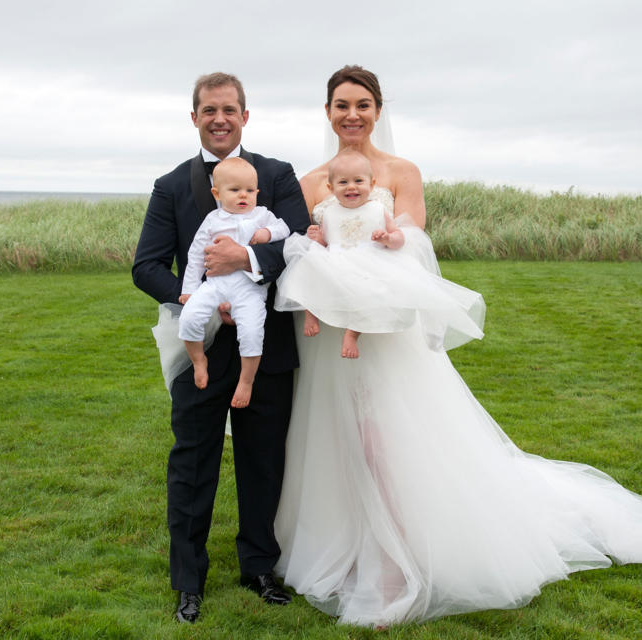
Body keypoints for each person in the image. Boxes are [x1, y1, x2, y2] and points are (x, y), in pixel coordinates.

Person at [272, 65, 642, 628]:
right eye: (341, 104)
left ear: (379, 110)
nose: (352, 115)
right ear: (327, 112)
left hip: (386, 331)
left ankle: (396, 558)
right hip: (327, 336)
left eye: (363, 104)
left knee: (382, 438)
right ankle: (343, 544)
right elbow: (300, 246)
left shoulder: (401, 171)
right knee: (337, 434)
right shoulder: (309, 179)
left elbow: (412, 242)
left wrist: (385, 251)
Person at [132, 72, 309, 624]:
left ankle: (258, 566)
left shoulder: (276, 175)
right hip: (203, 343)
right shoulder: (170, 186)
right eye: (209, 110)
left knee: (263, 460)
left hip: (268, 347)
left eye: (229, 109)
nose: (220, 118)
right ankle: (189, 578)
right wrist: (194, 298)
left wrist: (249, 264)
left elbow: (301, 247)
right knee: (192, 461)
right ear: (194, 118)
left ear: (244, 116)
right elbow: (145, 267)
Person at [275, 149, 484, 359]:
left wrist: (387, 238)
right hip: (337, 259)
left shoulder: (377, 209)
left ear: (372, 184)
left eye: (358, 181)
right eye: (343, 182)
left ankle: (352, 334)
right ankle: (311, 315)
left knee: (370, 295)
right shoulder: (329, 212)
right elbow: (328, 241)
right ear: (331, 188)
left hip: (368, 260)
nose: (351, 187)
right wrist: (316, 237)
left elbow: (400, 237)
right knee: (308, 269)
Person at [178, 157, 290, 407]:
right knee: (189, 317)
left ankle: (246, 380)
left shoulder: (262, 215)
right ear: (217, 193)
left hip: (250, 288)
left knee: (252, 332)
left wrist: (267, 233)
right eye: (235, 190)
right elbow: (196, 254)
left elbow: (285, 229)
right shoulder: (212, 220)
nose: (244, 195)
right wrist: (189, 289)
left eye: (250, 190)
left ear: (257, 192)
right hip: (215, 284)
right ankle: (198, 361)